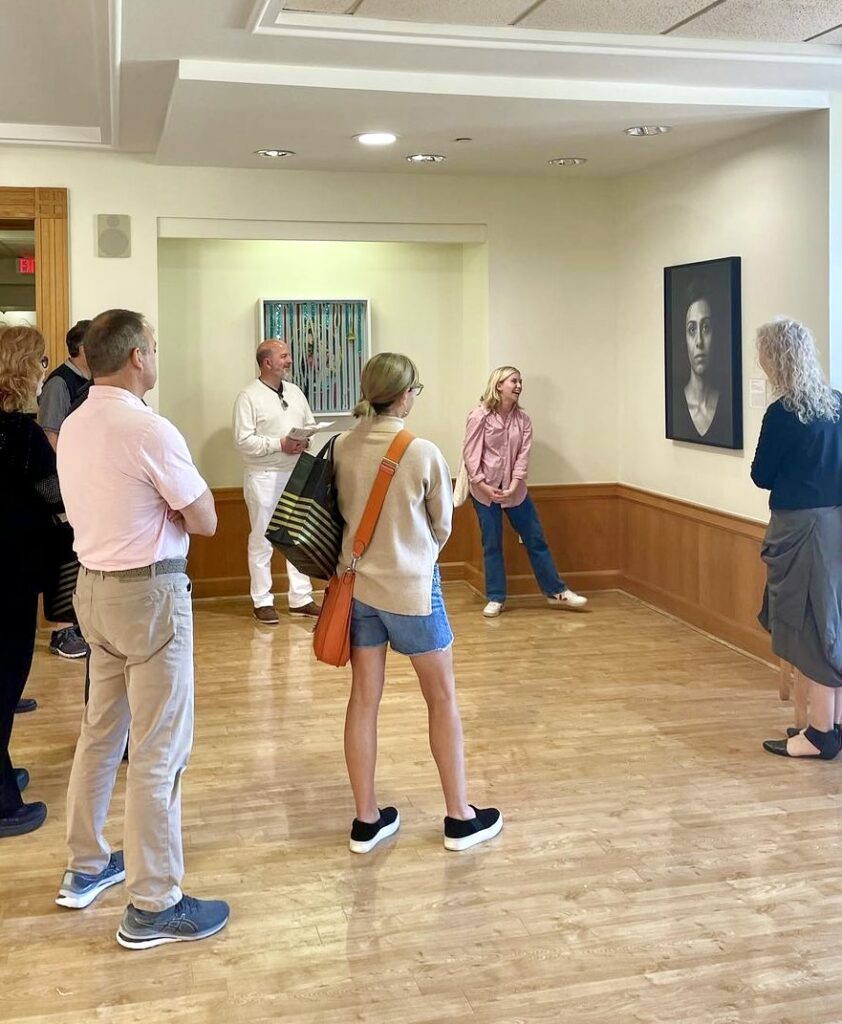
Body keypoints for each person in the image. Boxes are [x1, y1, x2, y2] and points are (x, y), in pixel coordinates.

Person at [56, 309, 229, 948]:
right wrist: (173, 512)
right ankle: (155, 903)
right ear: (135, 356)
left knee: (101, 732)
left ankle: (88, 863)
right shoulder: (148, 429)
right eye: (153, 347)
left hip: (93, 590)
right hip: (149, 593)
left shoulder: (73, 424)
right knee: (160, 747)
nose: (156, 356)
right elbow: (206, 518)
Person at [333, 352, 502, 853]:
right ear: (406, 393)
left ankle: (367, 820)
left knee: (364, 699)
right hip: (412, 589)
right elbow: (442, 524)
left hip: (360, 588)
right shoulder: (421, 450)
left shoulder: (342, 444)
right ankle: (459, 815)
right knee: (442, 698)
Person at [752, 318, 842, 760]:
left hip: (800, 529)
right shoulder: (838, 404)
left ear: (774, 358)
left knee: (809, 626)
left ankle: (820, 735)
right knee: (831, 621)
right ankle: (833, 724)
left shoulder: (783, 413)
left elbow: (761, 476)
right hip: (834, 526)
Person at [462, 366, 588, 618]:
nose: (519, 386)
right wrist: (485, 486)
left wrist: (513, 485)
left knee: (535, 538)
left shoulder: (523, 421)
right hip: (484, 492)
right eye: (513, 381)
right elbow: (470, 453)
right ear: (498, 385)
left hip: (514, 491)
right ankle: (496, 597)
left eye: (520, 382)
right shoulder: (480, 416)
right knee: (492, 543)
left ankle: (556, 591)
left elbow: (522, 457)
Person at [0, 325, 53, 836]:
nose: (44, 374)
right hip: (10, 577)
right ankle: (1, 802)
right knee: (4, 681)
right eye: (39, 363)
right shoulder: (22, 436)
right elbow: (56, 502)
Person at [232, 338, 320, 623]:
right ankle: (262, 600)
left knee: (296, 537)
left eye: (288, 355)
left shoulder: (295, 392)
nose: (289, 360)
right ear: (267, 362)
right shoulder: (248, 397)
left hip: (296, 473)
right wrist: (279, 445)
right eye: (284, 356)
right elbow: (243, 441)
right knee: (262, 539)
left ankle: (301, 597)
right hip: (264, 476)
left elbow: (310, 426)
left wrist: (304, 441)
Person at [37, 319, 92, 660]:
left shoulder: (95, 381)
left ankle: (76, 624)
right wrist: (72, 471)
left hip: (86, 482)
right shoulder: (59, 382)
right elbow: (50, 435)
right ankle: (60, 632)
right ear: (83, 349)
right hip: (62, 485)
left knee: (79, 553)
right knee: (61, 553)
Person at [672, 278, 732, 447]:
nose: (699, 341)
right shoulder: (675, 405)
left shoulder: (726, 406)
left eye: (706, 327)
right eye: (692, 329)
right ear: (684, 339)